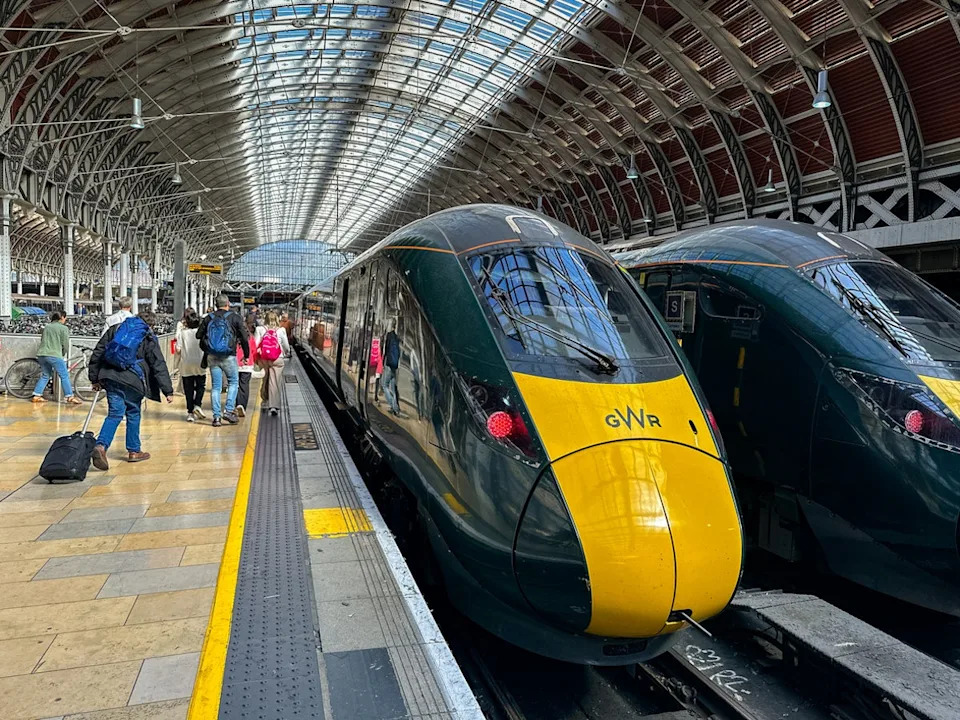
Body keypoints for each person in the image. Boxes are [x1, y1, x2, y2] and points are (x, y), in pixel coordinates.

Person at [88, 310, 174, 468]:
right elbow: (158, 363)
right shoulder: (148, 336)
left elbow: (98, 352)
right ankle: (134, 451)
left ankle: (101, 446)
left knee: (114, 414)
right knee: (133, 413)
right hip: (133, 381)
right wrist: (167, 390)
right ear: (151, 324)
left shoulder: (116, 328)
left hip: (111, 377)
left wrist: (94, 378)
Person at [197, 295, 249, 427]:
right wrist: (246, 354)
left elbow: (198, 335)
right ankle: (229, 410)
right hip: (229, 356)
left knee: (216, 387)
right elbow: (244, 337)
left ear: (215, 304)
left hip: (212, 356)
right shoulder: (235, 317)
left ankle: (216, 418)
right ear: (228, 304)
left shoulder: (209, 318)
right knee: (233, 382)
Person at [31, 311, 82, 405]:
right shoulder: (63, 328)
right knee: (64, 375)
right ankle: (70, 396)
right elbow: (66, 344)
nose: (65, 320)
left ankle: (37, 395)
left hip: (42, 354)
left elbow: (42, 340)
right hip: (54, 355)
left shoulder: (47, 327)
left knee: (46, 375)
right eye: (65, 318)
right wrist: (62, 353)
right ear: (62, 317)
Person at [255, 310, 290, 417]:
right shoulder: (281, 330)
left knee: (265, 379)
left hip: (264, 358)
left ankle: (265, 401)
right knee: (274, 381)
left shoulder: (259, 329)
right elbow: (286, 346)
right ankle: (273, 406)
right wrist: (286, 352)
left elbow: (256, 345)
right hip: (277, 359)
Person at [176, 309, 206, 422]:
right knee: (200, 386)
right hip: (200, 363)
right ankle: (197, 405)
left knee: (188, 389)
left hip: (186, 363)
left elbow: (178, 349)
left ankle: (190, 413)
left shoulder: (183, 334)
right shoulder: (201, 333)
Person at [381, 320, 401, 415]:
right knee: (393, 388)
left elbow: (386, 349)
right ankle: (395, 409)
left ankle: (392, 405)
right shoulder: (397, 337)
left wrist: (383, 361)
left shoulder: (389, 335)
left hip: (389, 364)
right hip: (395, 365)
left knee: (384, 385)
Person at [236, 330, 257, 417]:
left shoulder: (234, 337)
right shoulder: (250, 338)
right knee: (244, 385)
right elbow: (254, 351)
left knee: (235, 385)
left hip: (235, 364)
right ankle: (242, 406)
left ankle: (236, 405)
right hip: (247, 365)